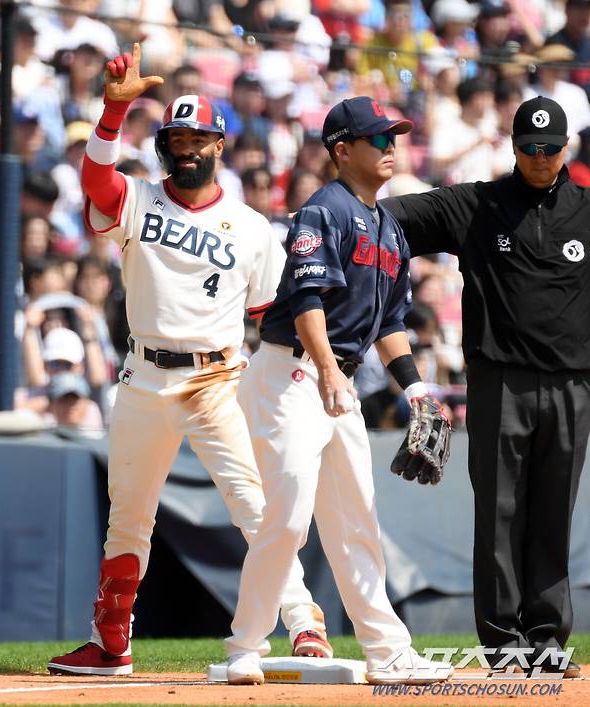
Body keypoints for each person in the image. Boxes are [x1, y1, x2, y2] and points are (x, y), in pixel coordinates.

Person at [48, 43, 332, 677]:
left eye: (198, 137)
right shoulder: (141, 199)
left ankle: (304, 623)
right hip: (143, 375)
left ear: (219, 144)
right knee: (128, 516)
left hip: (217, 376)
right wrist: (111, 115)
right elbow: (97, 181)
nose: (186, 147)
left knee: (253, 505)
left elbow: (271, 315)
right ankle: (112, 644)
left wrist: (306, 375)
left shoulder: (254, 227)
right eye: (177, 136)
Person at [223, 96, 453, 685]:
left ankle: (387, 650)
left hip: (335, 379)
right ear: (342, 149)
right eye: (378, 139)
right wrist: (326, 369)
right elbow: (305, 301)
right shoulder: (323, 210)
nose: (390, 147)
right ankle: (245, 645)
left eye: (393, 136)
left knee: (357, 520)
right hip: (290, 372)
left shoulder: (390, 229)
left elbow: (393, 324)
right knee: (291, 513)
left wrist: (417, 389)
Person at [382, 96, 587, 678]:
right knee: (498, 512)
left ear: (565, 148)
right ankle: (504, 644)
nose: (541, 158)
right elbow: (390, 217)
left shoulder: (587, 209)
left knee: (553, 513)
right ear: (514, 148)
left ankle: (547, 639)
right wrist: (338, 212)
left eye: (550, 149)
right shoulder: (478, 204)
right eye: (530, 148)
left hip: (574, 383)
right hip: (500, 379)